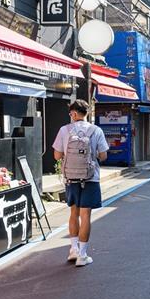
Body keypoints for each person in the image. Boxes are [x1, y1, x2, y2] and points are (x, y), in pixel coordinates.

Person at [52, 100, 109, 267]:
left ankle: (73, 250)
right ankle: (82, 255)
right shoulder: (96, 130)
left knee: (73, 213)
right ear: (87, 113)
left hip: (71, 178)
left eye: (71, 114)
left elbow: (56, 156)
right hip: (90, 178)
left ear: (74, 114)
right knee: (86, 216)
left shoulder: (64, 130)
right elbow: (104, 155)